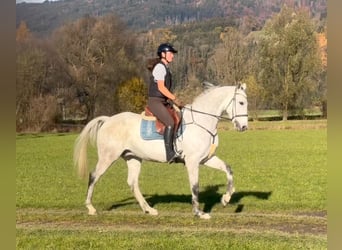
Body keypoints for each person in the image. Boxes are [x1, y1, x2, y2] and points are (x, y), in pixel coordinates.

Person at [147, 43, 182, 163]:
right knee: (170, 122)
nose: (172, 56)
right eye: (170, 53)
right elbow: (161, 88)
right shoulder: (160, 67)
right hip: (155, 101)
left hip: (163, 101)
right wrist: (174, 98)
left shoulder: (166, 68)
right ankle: (169, 154)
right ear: (163, 54)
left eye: (173, 54)